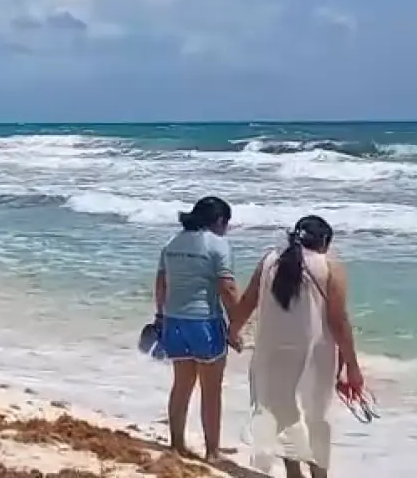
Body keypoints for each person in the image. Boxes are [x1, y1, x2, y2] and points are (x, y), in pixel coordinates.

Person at [230, 216, 362, 478]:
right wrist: (352, 367)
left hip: (270, 353)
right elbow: (339, 321)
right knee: (316, 418)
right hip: (314, 357)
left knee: (282, 411)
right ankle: (318, 475)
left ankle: (293, 473)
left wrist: (232, 331)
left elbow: (247, 302)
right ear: (324, 242)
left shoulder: (268, 261)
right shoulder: (329, 267)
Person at [154, 196, 241, 463]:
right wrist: (236, 326)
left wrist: (160, 316)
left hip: (173, 320)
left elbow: (161, 283)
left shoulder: (171, 243)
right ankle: (212, 452)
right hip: (205, 323)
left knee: (181, 385)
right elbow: (226, 288)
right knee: (211, 391)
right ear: (219, 221)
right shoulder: (218, 246)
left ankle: (177, 444)